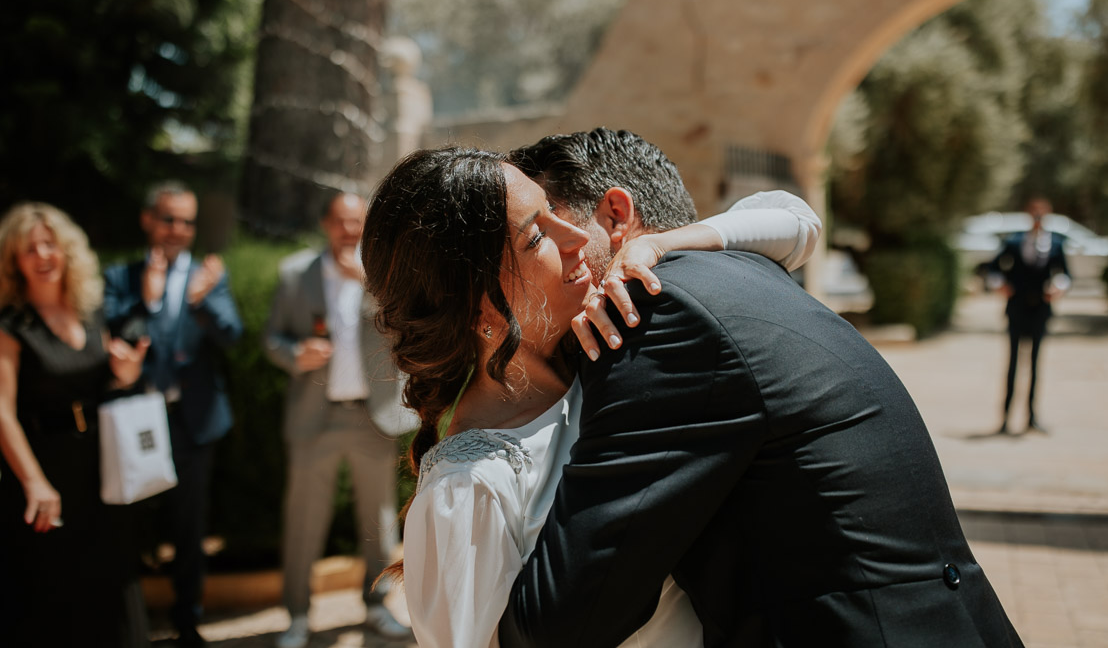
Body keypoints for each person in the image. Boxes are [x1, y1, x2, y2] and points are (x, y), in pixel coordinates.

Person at [496, 128, 1024, 647]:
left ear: (616, 214)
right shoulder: (741, 270)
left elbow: (564, 621)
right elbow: (791, 218)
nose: (546, 258)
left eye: (551, 231)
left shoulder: (653, 314)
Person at [361, 144, 822, 648]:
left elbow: (796, 221)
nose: (578, 236)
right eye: (536, 234)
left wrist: (659, 246)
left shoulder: (615, 354)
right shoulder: (467, 492)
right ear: (477, 310)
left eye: (553, 212)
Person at [265, 192, 417, 648]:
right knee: (303, 521)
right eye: (341, 221)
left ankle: (376, 606)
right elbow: (273, 336)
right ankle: (296, 615)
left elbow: (408, 329)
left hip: (371, 418)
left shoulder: (386, 274)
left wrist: (369, 286)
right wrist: (295, 353)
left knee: (378, 520)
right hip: (316, 418)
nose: (349, 230)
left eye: (357, 222)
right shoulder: (295, 274)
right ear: (325, 224)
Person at [0, 202, 152, 647]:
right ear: (15, 260)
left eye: (50, 244)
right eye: (30, 249)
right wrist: (34, 482)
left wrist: (125, 374)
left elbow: (105, 381)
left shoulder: (90, 309)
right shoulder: (12, 324)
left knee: (111, 576)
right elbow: (2, 409)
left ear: (67, 251)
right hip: (47, 466)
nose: (43, 255)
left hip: (102, 466)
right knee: (54, 588)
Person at [104, 181, 243, 648]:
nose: (178, 230)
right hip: (135, 422)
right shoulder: (121, 276)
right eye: (169, 219)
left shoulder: (208, 275)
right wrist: (146, 297)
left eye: (187, 221)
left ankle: (187, 621)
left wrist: (200, 301)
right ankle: (131, 625)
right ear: (148, 220)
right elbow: (112, 335)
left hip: (192, 421)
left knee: (189, 528)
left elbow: (232, 336)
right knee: (130, 527)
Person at [987, 197, 1070, 434]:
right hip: (1016, 309)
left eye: (1041, 214)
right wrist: (1000, 285)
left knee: (1035, 363)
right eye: (1034, 213)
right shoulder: (1013, 241)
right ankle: (1005, 418)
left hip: (1040, 311)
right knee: (1013, 363)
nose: (1037, 218)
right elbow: (992, 269)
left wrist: (1059, 287)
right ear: (1027, 214)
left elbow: (1065, 274)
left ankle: (1031, 417)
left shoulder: (1056, 243)